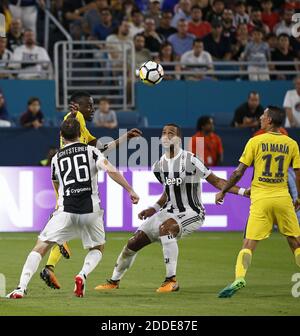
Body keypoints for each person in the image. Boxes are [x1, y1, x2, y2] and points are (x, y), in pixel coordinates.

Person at [94, 123, 250, 293]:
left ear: (179, 139)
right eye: (164, 133)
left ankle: (171, 280)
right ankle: (113, 281)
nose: (167, 136)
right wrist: (153, 208)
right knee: (133, 242)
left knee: (166, 229)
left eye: (171, 133)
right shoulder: (159, 166)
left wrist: (243, 191)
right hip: (168, 211)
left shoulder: (191, 160)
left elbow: (217, 181)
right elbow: (168, 193)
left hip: (192, 212)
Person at [7, 118, 139, 299]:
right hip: (90, 211)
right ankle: (82, 274)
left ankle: (20, 288)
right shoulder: (91, 151)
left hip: (66, 211)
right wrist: (130, 189)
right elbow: (110, 170)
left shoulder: (56, 158)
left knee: (40, 247)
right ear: (81, 135)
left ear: (61, 135)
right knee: (97, 248)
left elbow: (55, 184)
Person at [40, 91, 142, 290]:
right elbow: (70, 120)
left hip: (65, 183)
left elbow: (101, 149)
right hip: (78, 182)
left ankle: (50, 266)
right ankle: (59, 267)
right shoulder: (75, 119)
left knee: (66, 226)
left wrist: (124, 138)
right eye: (89, 105)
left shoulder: (82, 128)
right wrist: (72, 114)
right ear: (77, 106)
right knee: (91, 238)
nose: (92, 109)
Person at [216, 106, 300, 298]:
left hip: (261, 199)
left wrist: (224, 190)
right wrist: (299, 198)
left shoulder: (256, 141)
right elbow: (297, 174)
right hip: (282, 197)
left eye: (264, 115)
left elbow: (238, 172)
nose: (260, 117)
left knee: (248, 243)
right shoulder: (292, 144)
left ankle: (239, 278)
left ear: (269, 120)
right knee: (295, 242)